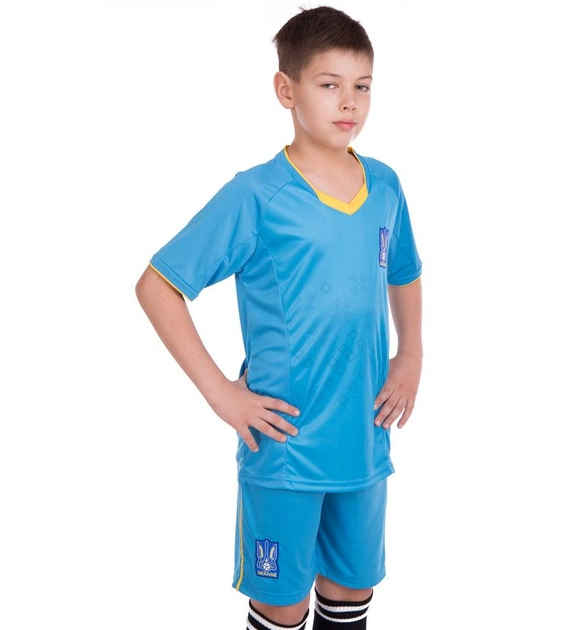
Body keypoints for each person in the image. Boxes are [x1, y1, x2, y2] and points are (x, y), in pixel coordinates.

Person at [135, 5, 423, 629]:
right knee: (283, 603)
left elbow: (403, 270)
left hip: (365, 440)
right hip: (286, 448)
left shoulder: (386, 186)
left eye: (362, 86)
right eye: (329, 84)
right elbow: (158, 286)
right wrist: (221, 394)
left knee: (350, 591)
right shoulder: (257, 194)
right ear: (286, 90)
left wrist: (411, 354)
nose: (349, 102)